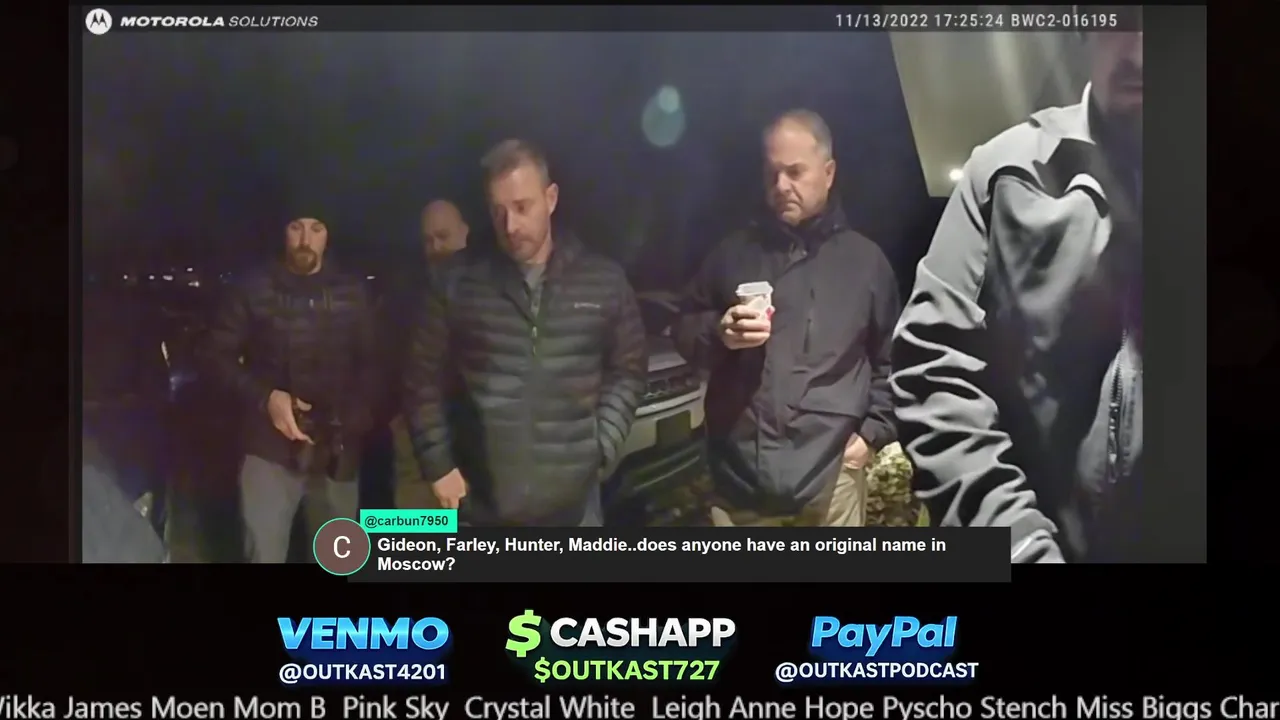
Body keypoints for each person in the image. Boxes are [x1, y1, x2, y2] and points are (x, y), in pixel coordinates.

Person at [890, 30, 1147, 562]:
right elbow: (932, 369)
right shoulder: (1004, 171)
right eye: (1124, 17)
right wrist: (1018, 544)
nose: (1142, 53)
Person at [403, 139, 647, 526]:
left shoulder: (603, 280)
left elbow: (628, 368)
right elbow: (421, 378)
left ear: (551, 199)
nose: (510, 226)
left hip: (576, 507)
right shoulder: (456, 282)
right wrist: (438, 463)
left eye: (522, 207)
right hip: (483, 507)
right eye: (498, 211)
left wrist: (602, 444)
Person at [674, 109, 900, 527]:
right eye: (772, 174)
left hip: (831, 481)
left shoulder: (866, 263)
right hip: (739, 481)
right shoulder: (733, 253)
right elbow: (684, 329)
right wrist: (719, 332)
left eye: (795, 172)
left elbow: (893, 362)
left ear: (828, 173)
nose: (780, 186)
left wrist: (872, 434)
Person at [202, 209, 378, 563]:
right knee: (264, 555)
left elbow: (374, 363)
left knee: (336, 561)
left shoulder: (353, 292)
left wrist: (354, 415)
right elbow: (215, 355)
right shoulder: (253, 288)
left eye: (316, 228)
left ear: (328, 236)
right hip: (268, 449)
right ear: (283, 232)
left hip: (335, 451)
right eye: (296, 227)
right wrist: (265, 397)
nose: (305, 240)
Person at [369, 199, 471, 511]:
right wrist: (394, 415)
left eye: (443, 236)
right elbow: (383, 356)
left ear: (464, 232)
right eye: (428, 240)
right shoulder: (406, 293)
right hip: (414, 436)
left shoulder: (489, 286)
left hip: (476, 434)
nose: (436, 247)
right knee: (417, 529)